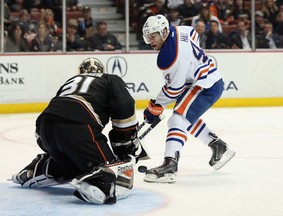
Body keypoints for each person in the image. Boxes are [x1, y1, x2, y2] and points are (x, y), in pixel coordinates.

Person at [11, 57, 148, 204]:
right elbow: (124, 105)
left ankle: (42, 167)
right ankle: (99, 183)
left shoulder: (71, 81)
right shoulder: (109, 79)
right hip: (79, 125)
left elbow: (49, 117)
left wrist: (48, 147)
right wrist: (126, 144)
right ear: (101, 71)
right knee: (111, 169)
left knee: (74, 161)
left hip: (46, 126)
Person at [141, 14, 236, 183]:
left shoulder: (168, 56)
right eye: (148, 37)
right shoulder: (178, 30)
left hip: (205, 85)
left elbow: (173, 90)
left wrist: (155, 106)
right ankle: (218, 146)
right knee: (187, 117)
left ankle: (170, 165)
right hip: (208, 80)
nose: (150, 41)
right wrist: (191, 65)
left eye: (153, 36)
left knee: (178, 119)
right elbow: (193, 34)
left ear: (163, 32)